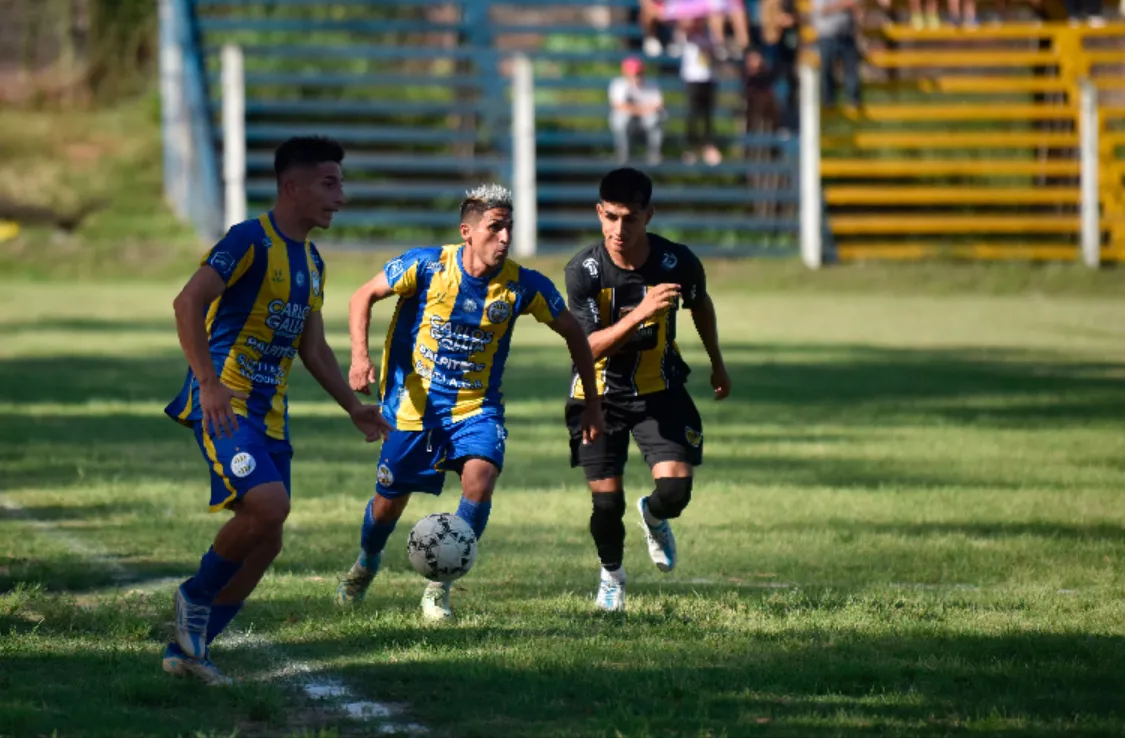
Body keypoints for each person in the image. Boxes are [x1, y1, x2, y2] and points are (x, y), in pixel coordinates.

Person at [162, 136, 391, 684]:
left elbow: (313, 348)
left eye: (341, 183)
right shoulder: (248, 240)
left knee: (267, 540)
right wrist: (208, 383)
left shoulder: (312, 261)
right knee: (268, 508)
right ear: (292, 186)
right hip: (224, 406)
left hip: (269, 417)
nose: (340, 196)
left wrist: (353, 407)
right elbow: (186, 302)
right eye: (328, 184)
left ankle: (191, 651)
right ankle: (193, 598)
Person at [335, 184, 604, 620]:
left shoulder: (522, 285)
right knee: (389, 501)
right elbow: (362, 295)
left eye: (508, 229)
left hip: (477, 408)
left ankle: (439, 586)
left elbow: (575, 333)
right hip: (415, 407)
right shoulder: (426, 265)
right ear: (467, 231)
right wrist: (360, 357)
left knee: (480, 479)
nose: (504, 238)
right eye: (495, 228)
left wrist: (591, 403)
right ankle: (366, 563)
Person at [563, 168, 730, 612]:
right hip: (596, 395)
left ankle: (653, 515)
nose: (620, 229)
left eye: (631, 218)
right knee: (605, 504)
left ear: (649, 215)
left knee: (675, 493)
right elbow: (586, 347)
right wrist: (640, 313)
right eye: (612, 217)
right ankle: (612, 576)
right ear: (599, 213)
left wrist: (717, 363)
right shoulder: (584, 270)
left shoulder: (677, 262)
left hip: (660, 389)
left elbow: (701, 304)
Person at [608, 57, 666, 166]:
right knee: (619, 119)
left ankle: (654, 155)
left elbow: (659, 104)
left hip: (646, 120)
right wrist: (642, 109)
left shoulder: (652, 84)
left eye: (639, 73)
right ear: (626, 73)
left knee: (657, 117)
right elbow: (618, 105)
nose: (637, 76)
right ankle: (623, 156)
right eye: (634, 73)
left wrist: (636, 109)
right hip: (629, 120)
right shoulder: (619, 84)